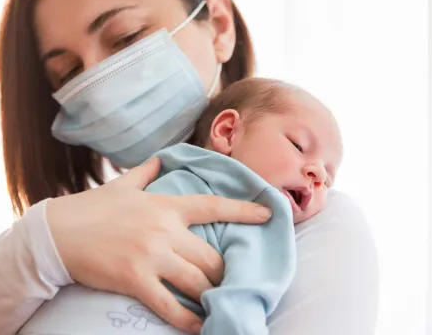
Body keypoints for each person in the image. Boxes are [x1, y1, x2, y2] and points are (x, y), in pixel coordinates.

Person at [0, 0, 379, 335]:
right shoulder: (61, 229)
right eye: (69, 72)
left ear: (218, 26)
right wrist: (37, 248)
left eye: (126, 37)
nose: (99, 85)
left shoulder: (309, 223)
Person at [19, 77, 343, 335]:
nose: (318, 174)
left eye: (328, 178)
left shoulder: (141, 181)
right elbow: (240, 306)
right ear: (228, 131)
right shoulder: (257, 212)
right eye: (299, 145)